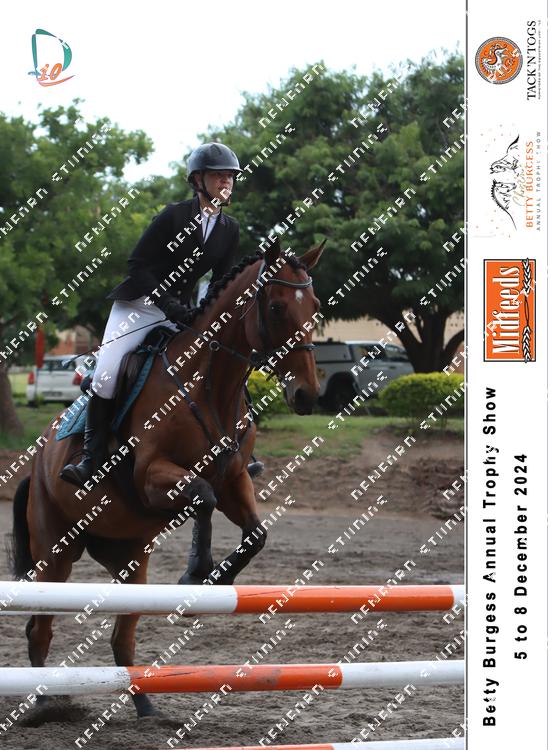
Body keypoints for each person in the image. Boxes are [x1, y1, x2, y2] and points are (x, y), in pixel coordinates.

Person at [60, 142, 264, 488]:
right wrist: (168, 304)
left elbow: (221, 282)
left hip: (181, 313)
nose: (226, 182)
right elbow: (137, 265)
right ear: (198, 180)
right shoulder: (173, 216)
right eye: (219, 176)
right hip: (138, 307)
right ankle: (90, 459)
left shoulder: (229, 228)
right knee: (106, 376)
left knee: (217, 365)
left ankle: (240, 449)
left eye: (230, 176)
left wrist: (206, 314)